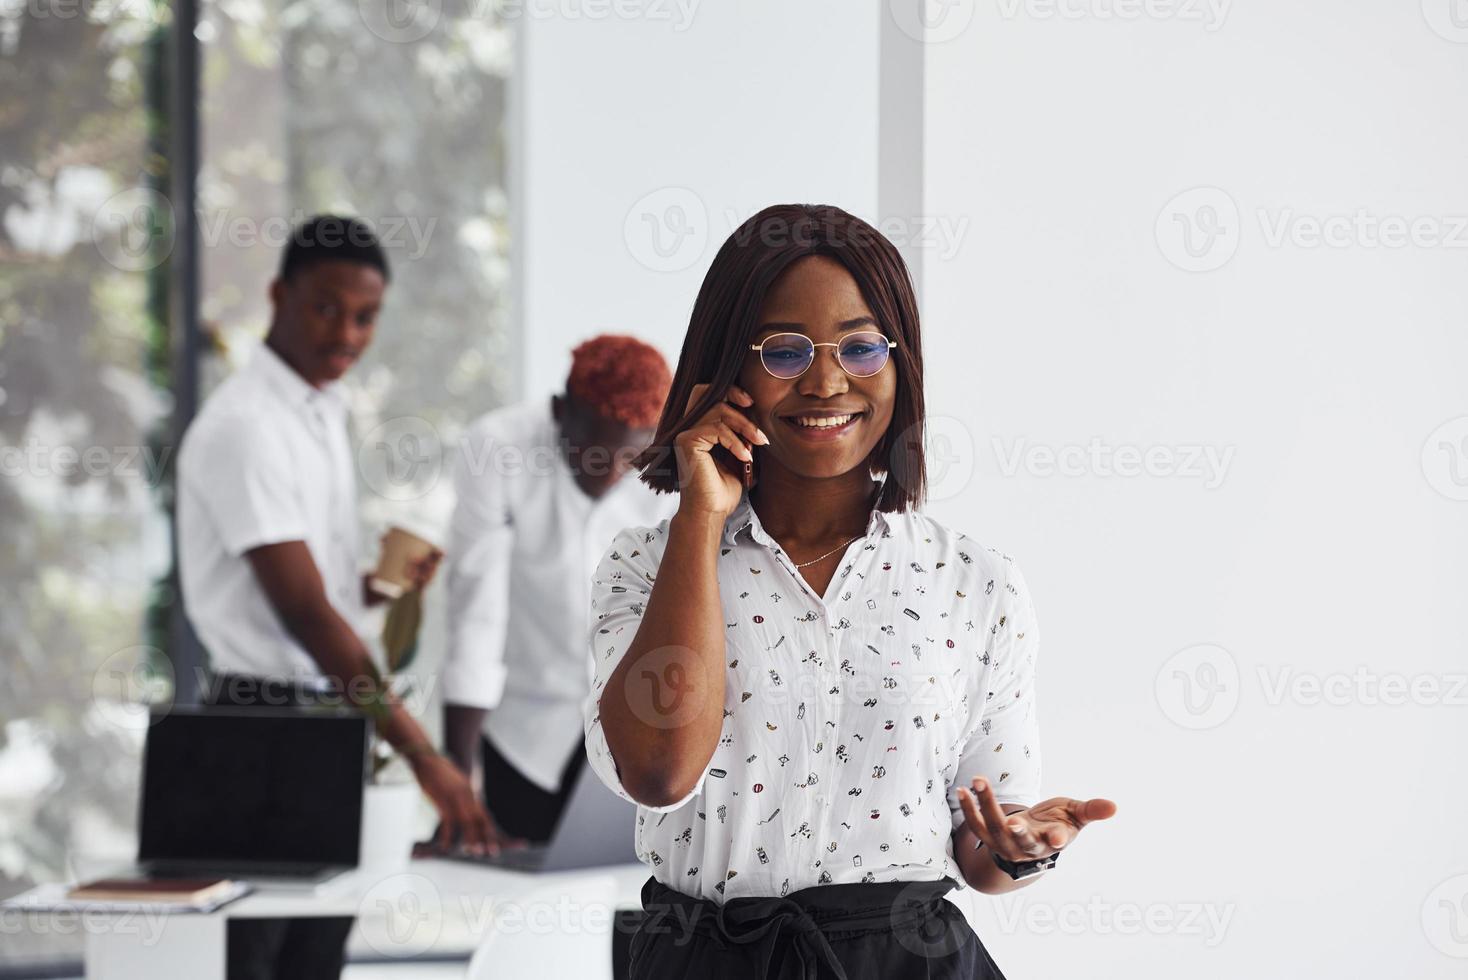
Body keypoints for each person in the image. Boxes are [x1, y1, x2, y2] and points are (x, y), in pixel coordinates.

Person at [581, 204, 1119, 979]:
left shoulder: (976, 582)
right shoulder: (643, 565)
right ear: (727, 368)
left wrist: (1021, 850)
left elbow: (981, 853)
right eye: (785, 350)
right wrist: (701, 516)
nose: (828, 380)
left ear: (901, 364)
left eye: (862, 346)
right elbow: (658, 773)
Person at [176, 214, 494, 980]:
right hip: (259, 725)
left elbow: (315, 587)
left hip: (324, 723)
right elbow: (304, 614)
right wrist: (424, 754)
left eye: (366, 315)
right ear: (279, 294)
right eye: (327, 307)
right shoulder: (247, 426)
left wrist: (379, 588)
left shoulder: (319, 409)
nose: (347, 333)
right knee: (253, 962)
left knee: (315, 960)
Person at [441, 334, 678, 852]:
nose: (612, 472)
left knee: (636, 912)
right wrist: (457, 776)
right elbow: (476, 611)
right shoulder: (498, 448)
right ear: (559, 413)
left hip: (641, 736)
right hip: (525, 736)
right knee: (519, 908)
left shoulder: (675, 464)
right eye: (595, 452)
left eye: (630, 458)